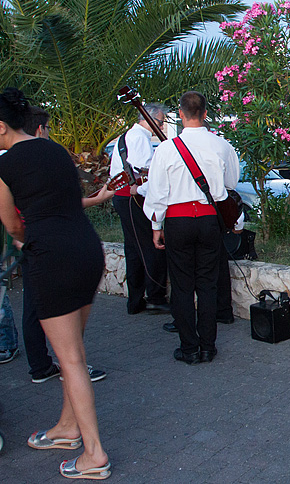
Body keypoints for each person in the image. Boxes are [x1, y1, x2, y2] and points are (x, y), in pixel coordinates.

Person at [0, 88, 111, 479]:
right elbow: (66, 201)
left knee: (70, 359)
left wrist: (23, 238)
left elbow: (12, 223)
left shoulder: (5, 166)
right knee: (74, 350)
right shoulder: (56, 151)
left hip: (51, 257)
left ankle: (94, 455)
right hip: (87, 249)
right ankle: (67, 428)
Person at [15, 106, 111, 383]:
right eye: (48, 128)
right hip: (50, 242)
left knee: (33, 306)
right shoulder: (46, 159)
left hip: (31, 240)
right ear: (40, 129)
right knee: (67, 307)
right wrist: (96, 199)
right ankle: (71, 365)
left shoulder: (12, 162)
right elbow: (61, 203)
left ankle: (40, 366)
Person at [144, 91, 239, 365]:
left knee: (182, 285)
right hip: (209, 219)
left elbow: (157, 192)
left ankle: (189, 348)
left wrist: (156, 225)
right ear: (205, 114)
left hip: (178, 221)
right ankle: (208, 346)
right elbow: (231, 183)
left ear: (181, 115)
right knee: (208, 284)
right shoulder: (222, 145)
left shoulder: (166, 149)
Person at [109, 103, 169, 314]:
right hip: (133, 198)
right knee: (151, 247)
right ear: (148, 118)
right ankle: (155, 297)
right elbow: (146, 171)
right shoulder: (139, 138)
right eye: (160, 122)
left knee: (133, 249)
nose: (161, 127)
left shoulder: (129, 136)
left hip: (124, 198)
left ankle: (135, 300)